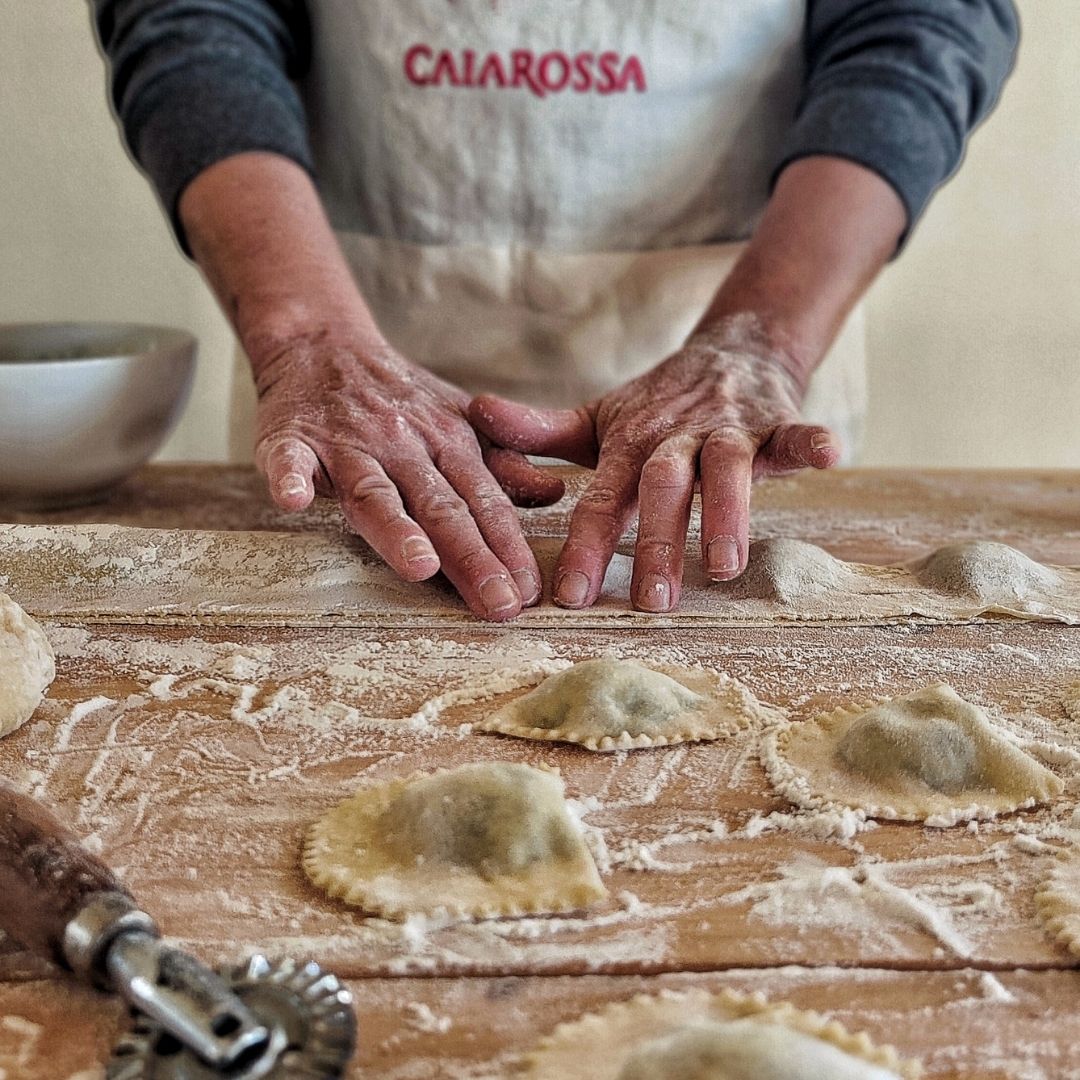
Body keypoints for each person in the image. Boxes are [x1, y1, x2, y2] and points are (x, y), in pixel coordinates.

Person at [90, 0, 1018, 620]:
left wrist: (765, 338)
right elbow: (193, 16)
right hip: (345, 386)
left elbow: (919, 20)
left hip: (739, 383)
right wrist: (302, 334)